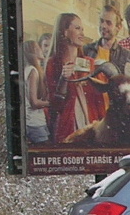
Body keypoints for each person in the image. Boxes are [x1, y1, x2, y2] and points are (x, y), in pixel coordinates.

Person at [45, 13, 105, 144]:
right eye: (77, 28)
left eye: (82, 29)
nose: (82, 33)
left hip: (91, 126)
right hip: (68, 127)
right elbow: (54, 106)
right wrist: (63, 80)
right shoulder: (53, 64)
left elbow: (99, 100)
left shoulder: (90, 62)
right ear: (65, 32)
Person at [83, 5, 130, 76]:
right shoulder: (87, 50)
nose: (103, 26)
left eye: (108, 23)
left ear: (118, 27)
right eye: (101, 21)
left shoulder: (127, 56)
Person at [23, 40, 50, 144]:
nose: (40, 49)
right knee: (45, 155)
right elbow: (34, 102)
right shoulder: (33, 71)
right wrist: (51, 103)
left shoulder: (28, 70)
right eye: (37, 47)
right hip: (34, 123)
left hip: (33, 121)